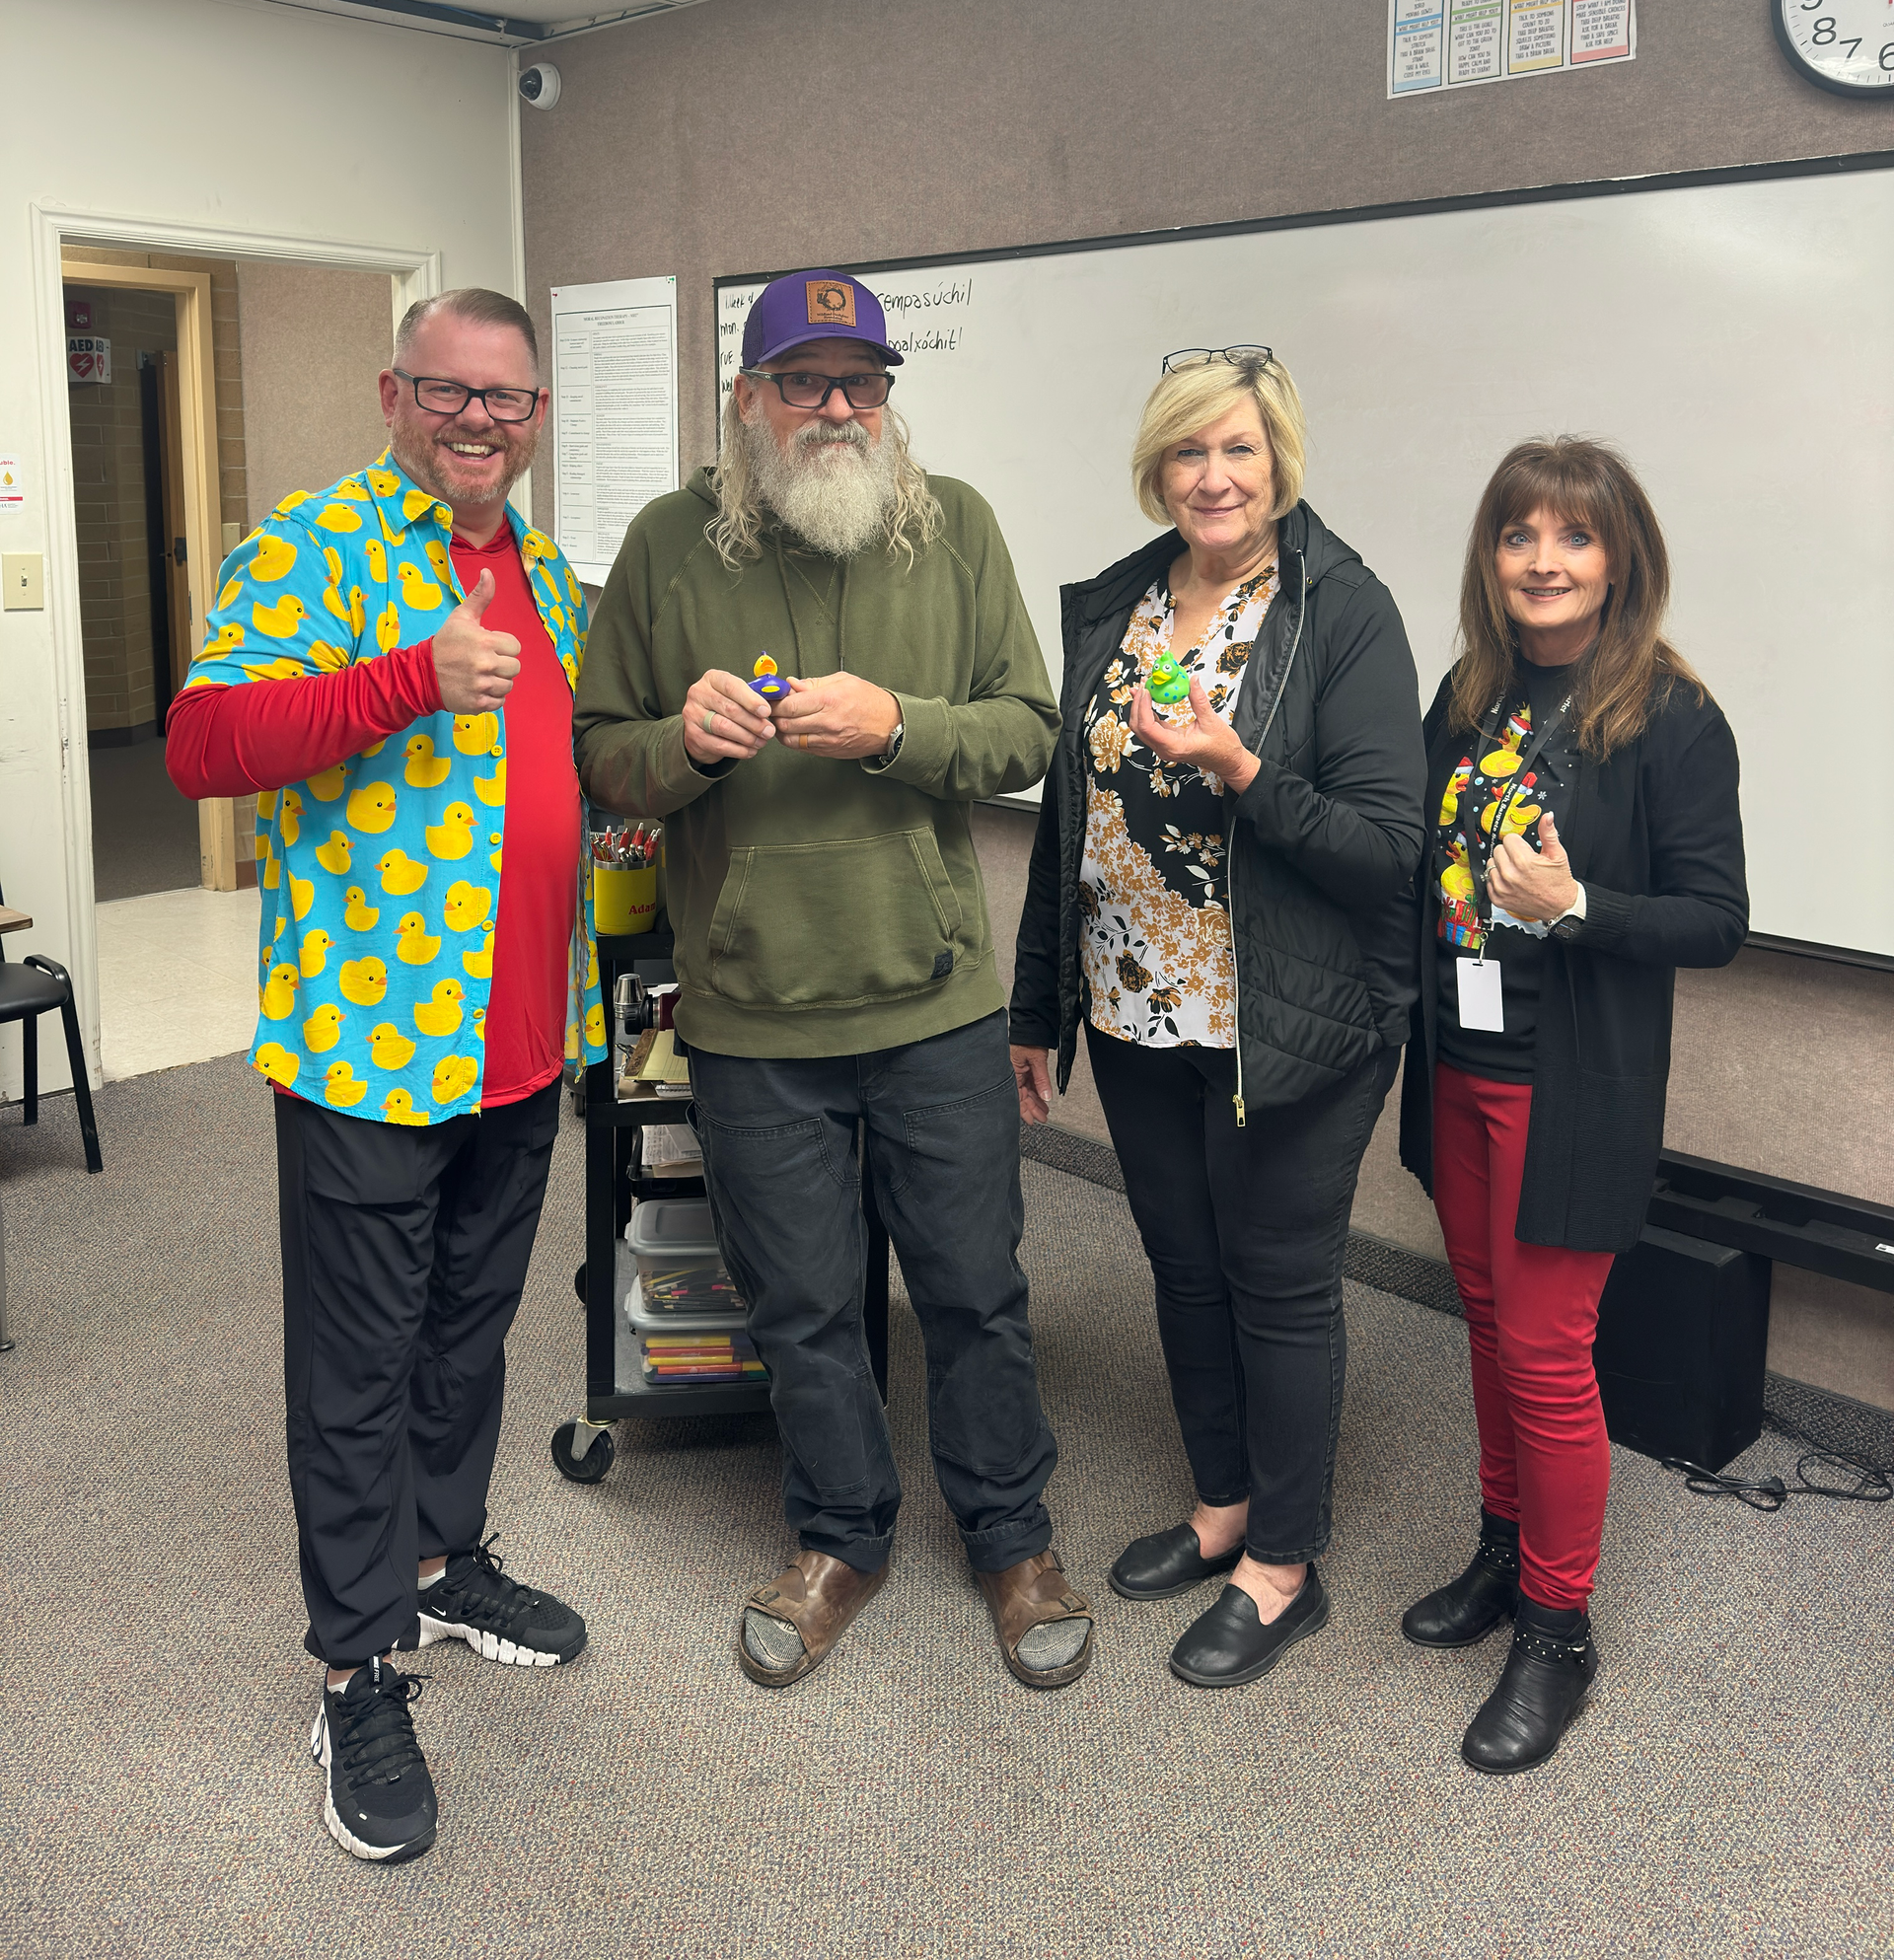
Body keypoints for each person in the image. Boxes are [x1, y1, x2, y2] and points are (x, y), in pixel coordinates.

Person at [572, 269, 1092, 1692]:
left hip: (932, 999)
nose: (837, 406)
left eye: (861, 380)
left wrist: (900, 727)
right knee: (798, 1303)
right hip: (750, 1011)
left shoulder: (956, 526)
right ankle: (840, 1536)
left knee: (976, 1290)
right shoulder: (670, 543)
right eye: (803, 380)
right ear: (748, 400)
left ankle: (1011, 1538)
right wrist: (683, 740)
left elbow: (1031, 733)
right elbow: (598, 751)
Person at [168, 289, 606, 1864]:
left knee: (469, 1331)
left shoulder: (549, 570)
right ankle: (354, 1663)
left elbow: (542, 772)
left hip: (520, 1039)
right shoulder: (314, 546)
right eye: (452, 394)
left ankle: (440, 1564)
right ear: (396, 394)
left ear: (536, 416)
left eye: (509, 401)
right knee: (357, 1368)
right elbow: (204, 745)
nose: (482, 422)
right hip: (372, 1046)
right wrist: (404, 680)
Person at [1009, 346, 1425, 1691]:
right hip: (1136, 1008)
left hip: (1287, 1022)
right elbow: (1069, 823)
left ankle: (1284, 1565)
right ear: (1158, 465)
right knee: (1184, 1269)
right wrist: (1039, 1008)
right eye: (1189, 450)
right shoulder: (1124, 602)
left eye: (1238, 449)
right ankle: (1224, 1504)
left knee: (1280, 1285)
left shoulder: (1340, 609)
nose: (1213, 475)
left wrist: (1244, 770)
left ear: (1277, 460)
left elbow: (1384, 848)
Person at [1399, 437, 1746, 1775]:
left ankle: (1557, 1630)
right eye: (1518, 535)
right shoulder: (1467, 695)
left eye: (1574, 537)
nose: (1544, 560)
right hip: (1462, 1066)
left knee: (1547, 1354)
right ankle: (1501, 1553)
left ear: (1618, 560)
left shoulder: (1669, 714)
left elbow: (1715, 921)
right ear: (1492, 560)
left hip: (1570, 1086)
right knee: (1486, 1325)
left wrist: (1579, 906)